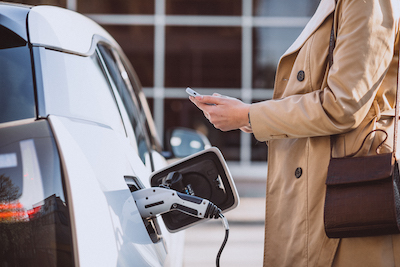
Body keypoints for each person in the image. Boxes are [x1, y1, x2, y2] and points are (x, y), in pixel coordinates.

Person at [189, 0, 400, 266]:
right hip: (323, 195)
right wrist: (250, 118)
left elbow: (343, 105)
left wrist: (249, 115)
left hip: (341, 201)